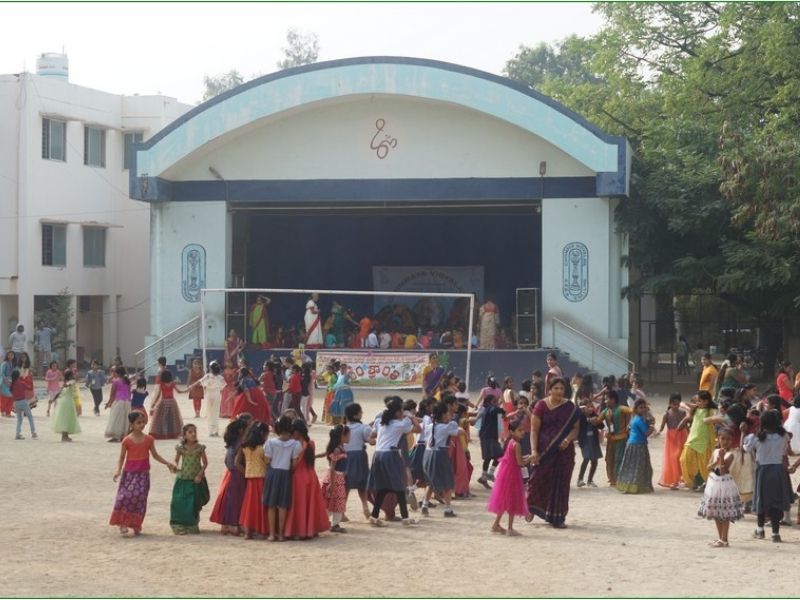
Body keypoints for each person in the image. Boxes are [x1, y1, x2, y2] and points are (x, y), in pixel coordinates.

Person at [110, 412, 176, 536]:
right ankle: (123, 523)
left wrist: (167, 463)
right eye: (138, 422)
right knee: (125, 497)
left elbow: (155, 455)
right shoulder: (127, 441)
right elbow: (122, 457)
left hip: (143, 475)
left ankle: (136, 524)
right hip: (129, 474)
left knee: (140, 498)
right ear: (131, 425)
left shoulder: (149, 440)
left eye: (143, 422)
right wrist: (118, 470)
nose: (142, 425)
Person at [526, 377, 580, 528]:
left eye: (562, 389)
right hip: (544, 451)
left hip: (564, 452)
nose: (559, 391)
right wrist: (534, 451)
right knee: (536, 479)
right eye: (556, 388)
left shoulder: (570, 407)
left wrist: (568, 439)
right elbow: (534, 431)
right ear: (549, 390)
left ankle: (558, 517)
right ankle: (530, 507)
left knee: (561, 483)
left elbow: (576, 428)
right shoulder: (541, 406)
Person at [367, 396, 421, 527]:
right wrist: (411, 417)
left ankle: (374, 516)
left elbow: (372, 435)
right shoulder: (399, 424)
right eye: (401, 411)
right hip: (390, 455)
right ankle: (405, 518)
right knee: (399, 487)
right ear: (397, 412)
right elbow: (418, 429)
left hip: (378, 455)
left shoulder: (381, 422)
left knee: (383, 487)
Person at [744, 409, 794, 542]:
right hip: (778, 471)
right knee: (776, 502)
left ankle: (760, 530)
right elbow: (784, 453)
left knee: (761, 500)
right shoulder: (783, 437)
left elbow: (745, 448)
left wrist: (744, 431)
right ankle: (775, 533)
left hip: (763, 471)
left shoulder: (756, 438)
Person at [697, 428, 744, 547]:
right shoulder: (715, 451)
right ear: (718, 439)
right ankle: (720, 538)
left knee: (725, 513)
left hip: (725, 485)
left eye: (728, 439)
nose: (725, 441)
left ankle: (724, 538)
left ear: (732, 440)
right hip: (714, 483)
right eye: (723, 438)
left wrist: (721, 458)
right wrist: (716, 461)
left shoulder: (731, 455)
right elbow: (708, 467)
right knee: (716, 512)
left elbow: (722, 471)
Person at [284, 419, 329, 539]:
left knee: (298, 504)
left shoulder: (296, 445)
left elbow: (295, 463)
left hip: (298, 476)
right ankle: (310, 529)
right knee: (310, 504)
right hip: (310, 474)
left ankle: (298, 530)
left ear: (297, 432)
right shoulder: (310, 443)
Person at [487, 418, 531, 536]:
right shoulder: (517, 445)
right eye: (519, 430)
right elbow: (519, 463)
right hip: (512, 474)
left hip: (506, 473)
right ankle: (510, 528)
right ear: (512, 432)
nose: (522, 432)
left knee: (504, 499)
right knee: (512, 500)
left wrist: (525, 458)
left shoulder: (510, 442)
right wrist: (530, 459)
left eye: (523, 430)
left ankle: (496, 524)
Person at [263, 415, 303, 542]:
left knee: (271, 505)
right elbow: (295, 463)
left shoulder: (270, 443)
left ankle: (271, 534)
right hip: (286, 474)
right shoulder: (295, 444)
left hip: (273, 473)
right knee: (282, 506)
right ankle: (281, 534)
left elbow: (267, 460)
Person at [209, 417, 249, 535]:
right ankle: (235, 525)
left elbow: (227, 461)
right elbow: (237, 463)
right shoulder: (241, 444)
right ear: (241, 431)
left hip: (232, 474)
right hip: (239, 474)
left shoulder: (232, 443)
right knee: (238, 499)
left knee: (231, 500)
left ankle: (227, 524)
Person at [421, 401, 460, 518]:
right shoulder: (446, 427)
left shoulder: (429, 426)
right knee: (447, 482)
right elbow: (458, 432)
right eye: (448, 413)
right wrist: (452, 422)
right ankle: (448, 509)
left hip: (427, 454)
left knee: (430, 482)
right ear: (443, 415)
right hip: (440, 455)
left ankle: (425, 504)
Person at [169, 424, 209, 534]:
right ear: (184, 435)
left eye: (194, 431)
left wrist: (200, 475)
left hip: (195, 480)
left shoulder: (200, 448)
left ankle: (192, 525)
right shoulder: (180, 448)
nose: (193, 434)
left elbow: (205, 463)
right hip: (183, 478)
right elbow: (176, 460)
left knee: (193, 504)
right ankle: (179, 525)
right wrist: (174, 466)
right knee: (180, 503)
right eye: (190, 432)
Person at [237, 421, 270, 539]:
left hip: (250, 478)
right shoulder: (262, 448)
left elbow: (237, 463)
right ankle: (262, 530)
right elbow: (267, 461)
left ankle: (248, 532)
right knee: (261, 504)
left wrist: (245, 472)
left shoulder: (245, 447)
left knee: (249, 505)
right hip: (261, 478)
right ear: (262, 434)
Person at [679, 391, 717, 491]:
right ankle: (690, 482)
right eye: (697, 401)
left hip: (704, 441)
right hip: (692, 440)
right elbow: (682, 403)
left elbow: (717, 416)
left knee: (704, 465)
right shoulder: (696, 409)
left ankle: (709, 484)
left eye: (700, 401)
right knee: (684, 459)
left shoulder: (710, 410)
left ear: (706, 401)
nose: (697, 402)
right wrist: (692, 406)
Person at [617, 399, 655, 494]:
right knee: (638, 467)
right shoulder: (639, 420)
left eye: (644, 407)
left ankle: (632, 486)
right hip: (638, 445)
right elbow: (646, 433)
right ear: (636, 409)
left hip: (633, 444)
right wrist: (652, 425)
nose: (643, 409)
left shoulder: (635, 418)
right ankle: (636, 487)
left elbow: (629, 429)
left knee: (632, 467)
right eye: (640, 408)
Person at [321, 424, 350, 533]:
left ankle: (333, 523)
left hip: (338, 477)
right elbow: (333, 468)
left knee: (337, 500)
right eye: (348, 435)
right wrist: (331, 484)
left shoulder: (340, 448)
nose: (349, 437)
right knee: (335, 499)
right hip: (335, 478)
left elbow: (325, 454)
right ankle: (331, 523)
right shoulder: (338, 450)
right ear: (342, 436)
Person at [599, 390, 632, 486]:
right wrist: (589, 416)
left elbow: (631, 410)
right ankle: (612, 478)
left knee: (619, 458)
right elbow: (597, 421)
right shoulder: (605, 411)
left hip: (621, 438)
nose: (605, 401)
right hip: (610, 439)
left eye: (606, 399)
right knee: (609, 459)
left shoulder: (621, 409)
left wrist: (628, 424)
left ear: (613, 400)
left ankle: (619, 478)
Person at [475, 388, 505, 488]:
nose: (496, 403)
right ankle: (489, 474)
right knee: (500, 454)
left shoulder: (486, 409)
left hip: (488, 436)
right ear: (489, 402)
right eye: (494, 401)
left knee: (489, 457)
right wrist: (501, 408)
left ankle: (484, 477)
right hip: (488, 436)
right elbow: (497, 410)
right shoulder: (489, 409)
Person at [658, 393, 689, 489]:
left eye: (678, 404)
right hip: (671, 438)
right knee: (673, 458)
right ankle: (674, 480)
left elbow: (686, 426)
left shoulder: (683, 413)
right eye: (674, 404)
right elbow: (662, 426)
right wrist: (657, 432)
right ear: (670, 403)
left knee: (681, 457)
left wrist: (689, 435)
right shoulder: (666, 414)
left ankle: (682, 479)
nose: (676, 406)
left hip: (682, 436)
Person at [576, 398, 603, 488]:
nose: (591, 408)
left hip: (594, 441)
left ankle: (590, 480)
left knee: (594, 461)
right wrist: (589, 420)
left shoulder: (594, 415)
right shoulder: (580, 416)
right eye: (588, 407)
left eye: (592, 406)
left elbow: (601, 425)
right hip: (585, 441)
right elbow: (581, 423)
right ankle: (580, 479)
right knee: (586, 458)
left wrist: (596, 422)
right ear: (583, 408)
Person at [50, 370, 81, 442]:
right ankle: (64, 437)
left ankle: (65, 436)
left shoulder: (66, 382)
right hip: (68, 402)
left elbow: (60, 392)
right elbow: (69, 384)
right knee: (67, 418)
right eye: (73, 374)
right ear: (70, 376)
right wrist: (67, 384)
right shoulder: (71, 381)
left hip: (64, 401)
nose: (74, 375)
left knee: (64, 418)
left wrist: (54, 398)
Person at [104, 367, 132, 442]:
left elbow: (112, 394)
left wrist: (108, 403)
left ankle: (116, 435)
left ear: (118, 373)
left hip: (119, 401)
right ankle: (124, 434)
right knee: (125, 419)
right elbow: (129, 392)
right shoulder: (128, 381)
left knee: (116, 418)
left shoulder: (115, 381)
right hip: (127, 402)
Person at [10, 369, 36, 440]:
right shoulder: (21, 383)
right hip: (23, 402)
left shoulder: (12, 385)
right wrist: (29, 379)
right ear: (18, 376)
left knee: (19, 419)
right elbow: (30, 388)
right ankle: (33, 432)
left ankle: (17, 434)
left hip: (16, 403)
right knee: (30, 417)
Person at [1, 350, 14, 417]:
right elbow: (1, 373)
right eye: (9, 355)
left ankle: (8, 412)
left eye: (12, 355)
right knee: (5, 397)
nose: (11, 356)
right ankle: (3, 411)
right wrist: (6, 381)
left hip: (11, 382)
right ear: (7, 355)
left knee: (11, 398)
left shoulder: (12, 364)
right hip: (4, 382)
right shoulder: (4, 363)